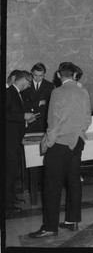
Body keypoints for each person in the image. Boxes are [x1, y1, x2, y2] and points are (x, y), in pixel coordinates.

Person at [29, 62, 92, 238]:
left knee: (51, 185)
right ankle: (73, 219)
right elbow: (87, 119)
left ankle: (49, 227)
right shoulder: (83, 91)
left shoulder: (57, 92)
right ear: (74, 75)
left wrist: (47, 143)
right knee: (73, 181)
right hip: (77, 142)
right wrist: (79, 133)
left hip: (60, 144)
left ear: (58, 75)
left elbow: (54, 122)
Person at [6, 70, 36, 214]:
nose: (29, 86)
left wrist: (26, 119)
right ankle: (7, 205)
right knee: (8, 173)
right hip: (9, 140)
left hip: (14, 139)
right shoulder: (9, 92)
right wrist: (23, 115)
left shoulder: (16, 93)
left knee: (12, 172)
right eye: (29, 82)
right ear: (23, 79)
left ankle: (11, 198)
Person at [21, 62, 55, 133]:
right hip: (28, 121)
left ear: (44, 74)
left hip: (43, 122)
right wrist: (39, 103)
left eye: (40, 76)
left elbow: (52, 105)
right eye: (35, 75)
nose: (37, 78)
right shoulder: (25, 85)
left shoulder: (50, 86)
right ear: (31, 73)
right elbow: (22, 103)